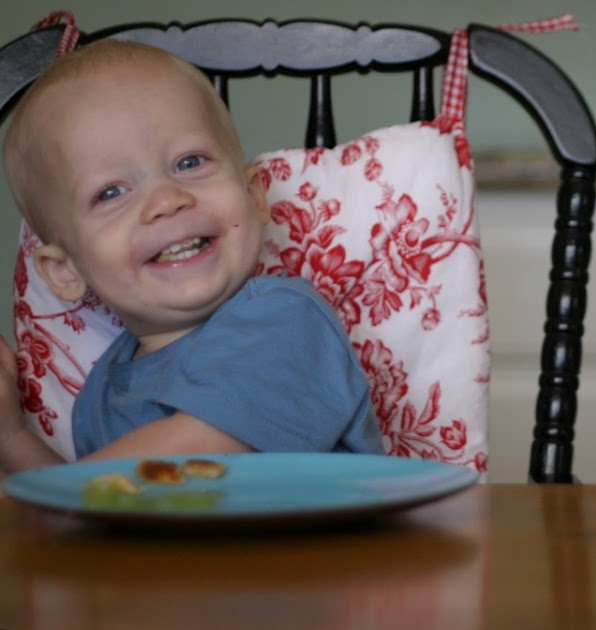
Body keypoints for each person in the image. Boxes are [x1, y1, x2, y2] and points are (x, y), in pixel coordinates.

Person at [0, 40, 384, 473]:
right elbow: (99, 512)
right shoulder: (101, 390)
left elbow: (192, 454)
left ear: (254, 197)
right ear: (66, 270)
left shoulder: (286, 321)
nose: (166, 199)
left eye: (189, 162)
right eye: (110, 192)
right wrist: (11, 439)